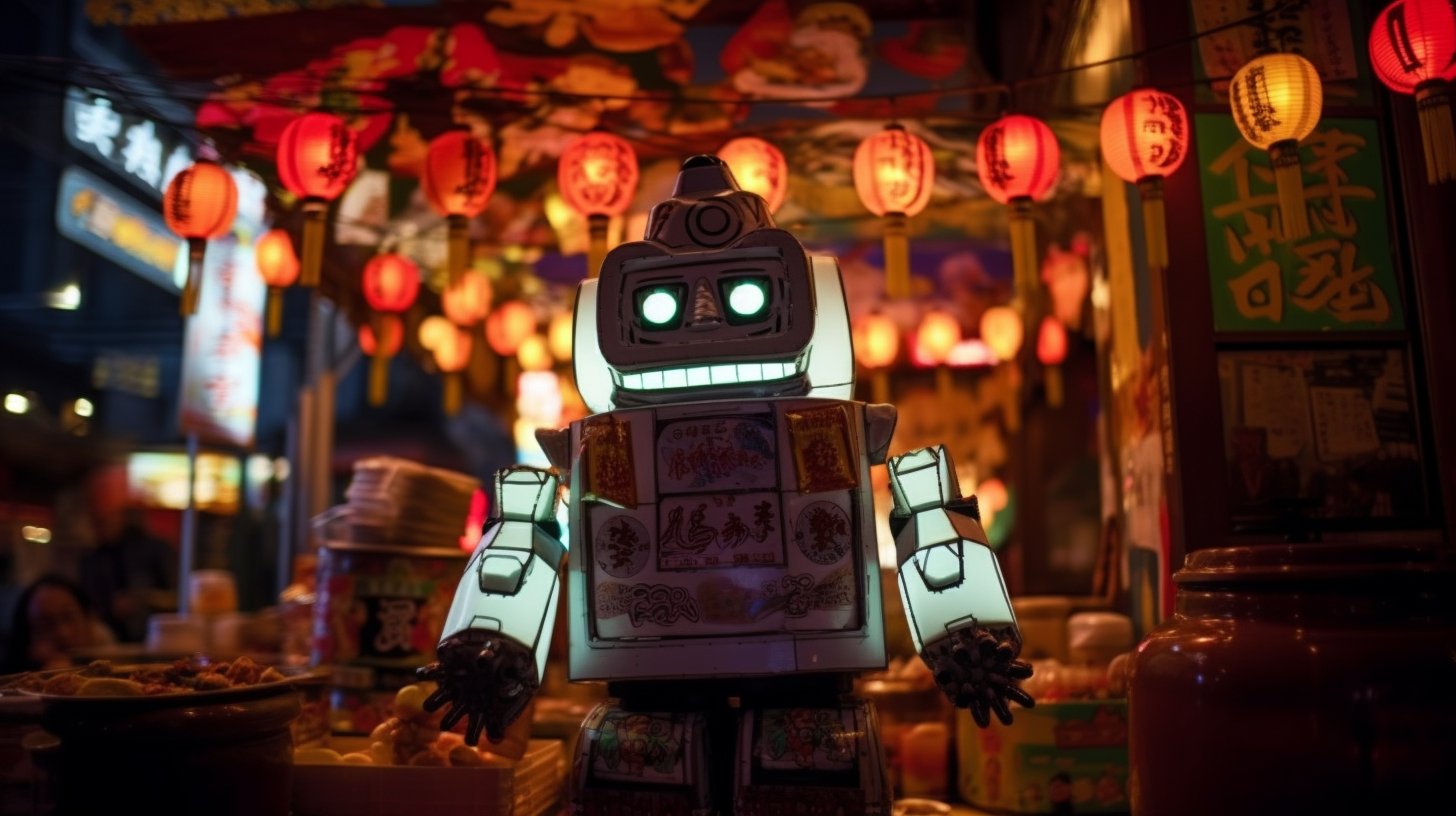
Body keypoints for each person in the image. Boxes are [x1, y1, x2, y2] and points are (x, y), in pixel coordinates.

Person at [78, 464, 178, 643]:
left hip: (157, 642)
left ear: (124, 515)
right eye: (95, 521)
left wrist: (141, 599)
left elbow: (178, 599)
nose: (99, 527)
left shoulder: (156, 549)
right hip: (107, 645)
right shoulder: (90, 560)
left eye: (105, 519)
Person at [1, 574, 115, 674]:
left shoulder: (118, 664)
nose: (63, 633)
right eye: (46, 624)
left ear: (89, 618)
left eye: (69, 617)